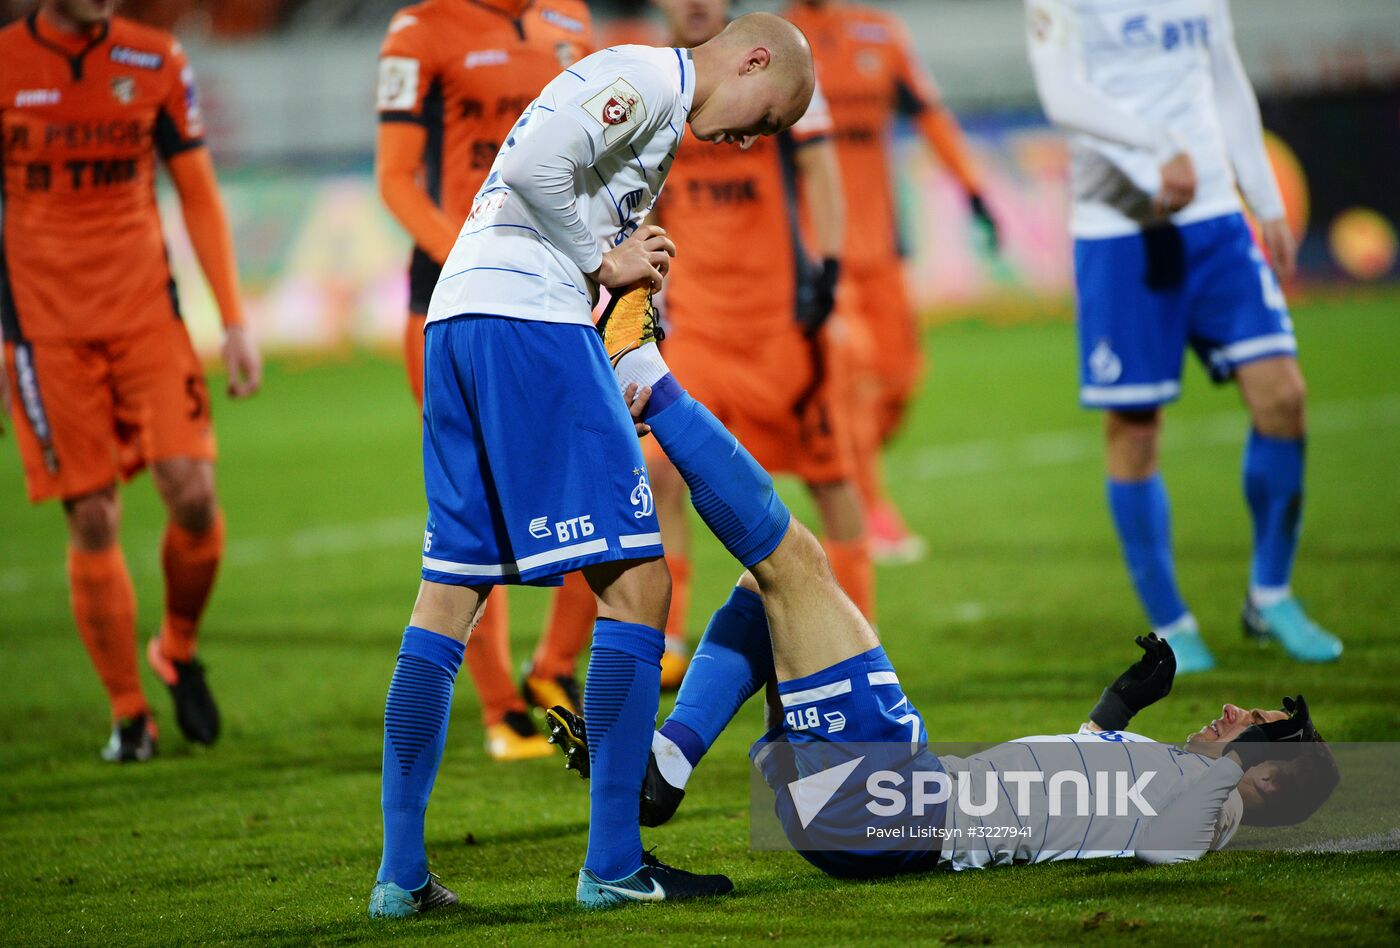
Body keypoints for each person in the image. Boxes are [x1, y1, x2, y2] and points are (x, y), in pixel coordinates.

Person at [368, 12, 818, 916]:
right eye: (766, 117)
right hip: (526, 320)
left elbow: (557, 191)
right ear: (753, 58)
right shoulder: (649, 79)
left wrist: (629, 295)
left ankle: (401, 878)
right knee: (639, 585)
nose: (749, 138)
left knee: (448, 594)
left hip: (461, 317)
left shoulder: (647, 108)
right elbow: (533, 167)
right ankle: (614, 861)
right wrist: (602, 256)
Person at [539, 379, 1338, 879]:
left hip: (895, 808)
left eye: (1254, 726)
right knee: (768, 586)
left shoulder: (1214, 811)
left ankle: (649, 382)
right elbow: (1076, 795)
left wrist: (1227, 783)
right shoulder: (1177, 777)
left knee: (793, 562)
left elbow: (1165, 844)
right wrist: (1119, 710)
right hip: (883, 811)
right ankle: (667, 763)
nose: (1233, 711)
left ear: (1264, 780)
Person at [1025, 0, 1341, 671]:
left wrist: (1264, 195)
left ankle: (1271, 593)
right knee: (1135, 431)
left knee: (1283, 396)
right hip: (1119, 231)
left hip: (1216, 220)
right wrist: (1157, 146)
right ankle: (1170, 620)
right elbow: (1063, 97)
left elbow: (1224, 76)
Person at [0, 0, 260, 761]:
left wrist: (235, 319)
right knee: (93, 517)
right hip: (44, 331)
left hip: (148, 317)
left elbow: (200, 192)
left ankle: (175, 647)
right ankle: (128, 715)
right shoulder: (6, 63)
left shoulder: (156, 59)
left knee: (194, 494)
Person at [375, 0, 598, 762]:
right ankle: (501, 708)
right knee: (478, 502)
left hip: (560, 290)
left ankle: (554, 673)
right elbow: (397, 180)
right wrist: (475, 261)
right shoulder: (419, 30)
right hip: (455, 295)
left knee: (591, 477)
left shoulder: (571, 17)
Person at [642, 0, 871, 684]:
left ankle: (855, 628)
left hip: (779, 327)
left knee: (831, 477)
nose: (696, 4)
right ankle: (668, 638)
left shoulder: (776, 74)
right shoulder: (652, 85)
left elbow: (821, 172)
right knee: (658, 474)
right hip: (699, 327)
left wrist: (827, 267)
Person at [785, 0, 999, 563]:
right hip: (822, 252)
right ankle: (868, 508)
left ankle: (841, 474)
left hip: (881, 248)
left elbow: (928, 114)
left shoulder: (881, 34)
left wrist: (973, 188)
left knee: (901, 378)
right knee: (851, 385)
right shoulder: (779, 40)